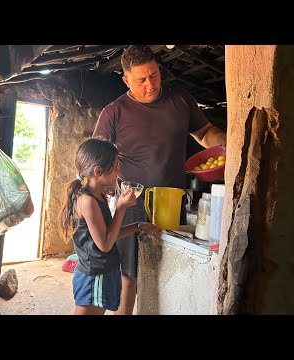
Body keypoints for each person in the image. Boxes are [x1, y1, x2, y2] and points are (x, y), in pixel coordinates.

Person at [93, 45, 227, 315]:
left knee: (171, 264)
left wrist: (230, 144)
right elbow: (96, 159)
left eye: (154, 75)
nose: (150, 85)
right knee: (130, 275)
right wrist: (101, 193)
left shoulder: (180, 100)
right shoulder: (114, 112)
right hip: (132, 206)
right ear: (126, 80)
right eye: (141, 80)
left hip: (171, 199)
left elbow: (204, 133)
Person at [59, 138, 160, 315]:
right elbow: (104, 244)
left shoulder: (98, 195)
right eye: (115, 167)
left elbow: (109, 234)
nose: (118, 172)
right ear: (98, 171)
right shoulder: (87, 201)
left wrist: (137, 226)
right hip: (94, 276)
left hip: (104, 272)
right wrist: (121, 207)